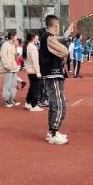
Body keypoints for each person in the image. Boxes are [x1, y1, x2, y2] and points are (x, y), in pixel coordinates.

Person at [39, 14, 72, 145]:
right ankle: (53, 132)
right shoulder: (48, 38)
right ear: (55, 25)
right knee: (58, 104)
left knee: (58, 104)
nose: (58, 28)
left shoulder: (48, 37)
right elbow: (64, 51)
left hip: (55, 74)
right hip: (52, 74)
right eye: (58, 25)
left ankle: (54, 130)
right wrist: (63, 53)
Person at [23, 32, 44, 112]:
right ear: (33, 37)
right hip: (33, 70)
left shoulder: (27, 46)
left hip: (29, 70)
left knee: (32, 87)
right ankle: (34, 105)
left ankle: (28, 102)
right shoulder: (32, 47)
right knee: (36, 88)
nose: (38, 37)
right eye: (36, 36)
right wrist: (38, 72)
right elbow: (34, 61)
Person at [0, 32, 21, 107]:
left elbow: (12, 54)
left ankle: (11, 98)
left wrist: (16, 54)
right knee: (7, 84)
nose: (16, 38)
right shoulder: (5, 45)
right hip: (8, 67)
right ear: (12, 36)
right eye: (15, 36)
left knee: (13, 84)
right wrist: (6, 65)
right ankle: (6, 100)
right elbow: (4, 56)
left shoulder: (12, 45)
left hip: (13, 67)